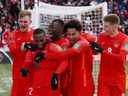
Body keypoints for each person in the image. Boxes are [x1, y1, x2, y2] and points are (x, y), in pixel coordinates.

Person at [45, 19, 94, 96]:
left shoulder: (83, 43)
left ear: (80, 33)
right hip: (70, 84)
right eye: (69, 34)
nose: (71, 37)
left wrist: (46, 55)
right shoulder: (68, 43)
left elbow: (66, 54)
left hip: (83, 85)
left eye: (73, 34)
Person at [97, 14, 128, 96]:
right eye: (104, 26)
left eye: (106, 26)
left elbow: (121, 58)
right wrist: (93, 48)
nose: (104, 28)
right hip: (103, 79)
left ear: (115, 26)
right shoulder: (101, 36)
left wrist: (103, 52)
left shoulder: (125, 39)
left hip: (118, 80)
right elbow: (96, 52)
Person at [9, 10, 33, 96]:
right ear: (18, 21)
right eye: (21, 21)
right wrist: (21, 48)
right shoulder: (13, 34)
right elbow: (12, 50)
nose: (23, 24)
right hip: (17, 71)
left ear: (30, 22)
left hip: (31, 71)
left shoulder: (34, 34)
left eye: (25, 22)